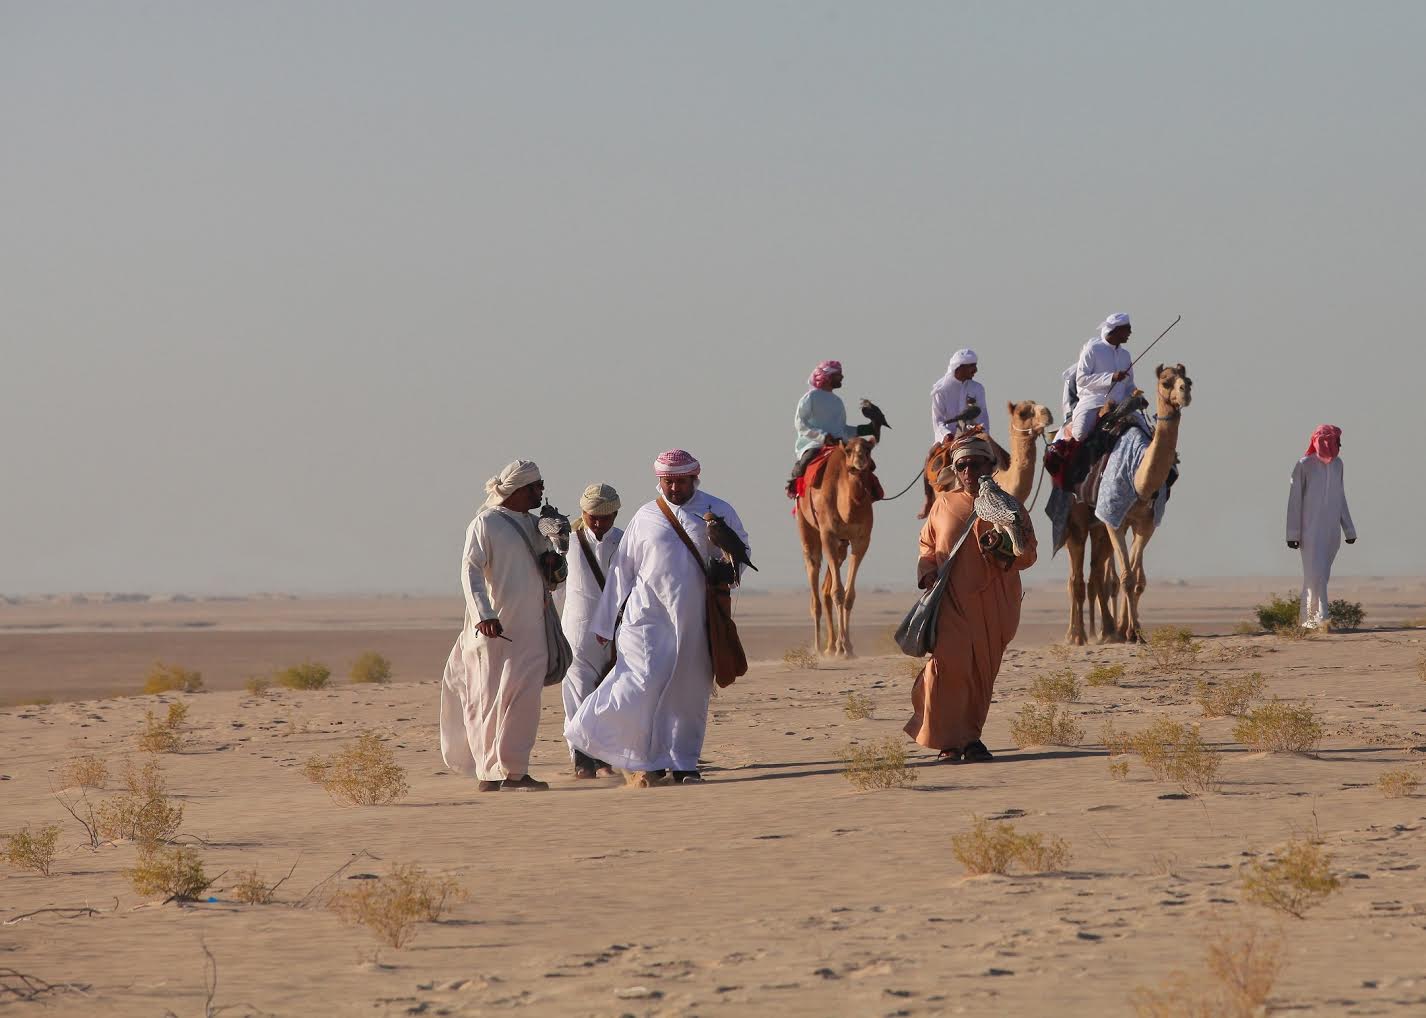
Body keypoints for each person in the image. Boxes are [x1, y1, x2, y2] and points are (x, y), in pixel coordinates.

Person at [566, 449, 750, 785]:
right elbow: (622, 570)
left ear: (695, 478)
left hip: (695, 619)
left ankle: (683, 763)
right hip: (645, 619)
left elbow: (741, 552)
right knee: (638, 682)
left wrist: (727, 570)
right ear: (659, 481)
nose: (675, 488)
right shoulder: (646, 516)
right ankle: (633, 754)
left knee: (689, 692)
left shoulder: (719, 511)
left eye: (681, 481)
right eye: (669, 482)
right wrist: (605, 624)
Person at [906, 430, 1037, 762]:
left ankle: (969, 738)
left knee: (981, 673)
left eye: (977, 465)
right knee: (948, 668)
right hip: (951, 603)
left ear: (990, 467)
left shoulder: (1011, 506)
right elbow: (927, 546)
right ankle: (948, 739)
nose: (970, 472)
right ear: (955, 468)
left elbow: (1028, 553)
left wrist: (1005, 552)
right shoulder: (943, 505)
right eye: (963, 465)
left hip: (995, 604)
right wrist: (927, 570)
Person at [439, 459, 569, 792]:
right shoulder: (486, 523)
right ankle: (488, 773)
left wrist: (557, 551)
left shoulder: (535, 526)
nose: (541, 491)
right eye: (536, 486)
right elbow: (470, 571)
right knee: (486, 700)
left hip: (532, 630)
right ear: (518, 490)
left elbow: (551, 577)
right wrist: (484, 614)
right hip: (493, 631)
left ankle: (513, 771)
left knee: (524, 700)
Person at [560, 483, 625, 778]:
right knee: (577, 695)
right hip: (575, 632)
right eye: (592, 517)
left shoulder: (626, 542)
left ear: (615, 514)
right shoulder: (566, 543)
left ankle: (603, 756)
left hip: (617, 634)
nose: (598, 523)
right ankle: (581, 759)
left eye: (605, 517)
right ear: (583, 513)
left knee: (610, 695)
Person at [1286, 425, 1357, 629]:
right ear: (1326, 441)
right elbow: (1294, 500)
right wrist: (1292, 533)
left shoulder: (1338, 465)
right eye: (1336, 441)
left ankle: (1309, 620)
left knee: (1321, 574)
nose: (1340, 445)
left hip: (1331, 530)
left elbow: (1340, 497)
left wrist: (1349, 529)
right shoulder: (1304, 464)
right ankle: (1322, 618)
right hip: (1309, 530)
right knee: (1314, 572)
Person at [787, 359, 877, 496]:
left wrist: (866, 429)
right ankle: (794, 487)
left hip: (839, 444)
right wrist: (822, 437)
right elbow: (800, 423)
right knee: (806, 461)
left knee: (866, 463)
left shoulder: (837, 401)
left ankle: (871, 494)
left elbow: (842, 429)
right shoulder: (810, 397)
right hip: (815, 444)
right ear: (827, 377)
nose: (842, 377)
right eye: (838, 375)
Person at [1067, 313, 1137, 441]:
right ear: (1117, 330)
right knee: (1080, 434)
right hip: (1094, 402)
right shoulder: (1092, 350)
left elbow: (1129, 385)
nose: (1130, 332)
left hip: (1121, 405)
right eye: (1127, 329)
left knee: (1145, 432)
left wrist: (1137, 396)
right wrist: (1111, 377)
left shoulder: (1125, 355)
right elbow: (1081, 379)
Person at [930, 348, 990, 443]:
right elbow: (938, 420)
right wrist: (946, 434)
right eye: (972, 366)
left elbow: (983, 417)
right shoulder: (941, 390)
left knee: (1002, 456)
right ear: (959, 367)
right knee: (932, 457)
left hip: (974, 438)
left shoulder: (977, 388)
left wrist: (981, 431)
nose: (976, 370)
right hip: (947, 440)